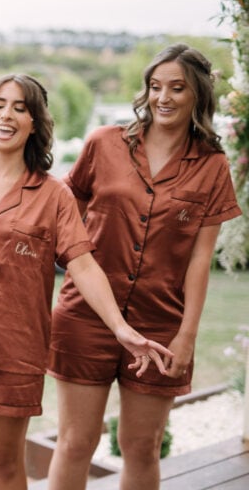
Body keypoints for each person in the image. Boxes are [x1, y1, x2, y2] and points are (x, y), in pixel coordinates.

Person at [0, 74, 174, 490]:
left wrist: (121, 328)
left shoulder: (54, 196)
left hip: (16, 347)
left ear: (35, 123)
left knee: (5, 462)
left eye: (20, 108)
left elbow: (84, 265)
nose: (6, 115)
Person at [46, 43, 242, 490]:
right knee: (76, 442)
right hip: (85, 316)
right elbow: (62, 214)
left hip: (161, 324)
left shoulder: (212, 166)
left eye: (177, 88)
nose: (164, 98)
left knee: (141, 446)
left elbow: (199, 259)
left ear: (197, 96)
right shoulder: (104, 143)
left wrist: (186, 335)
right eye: (156, 87)